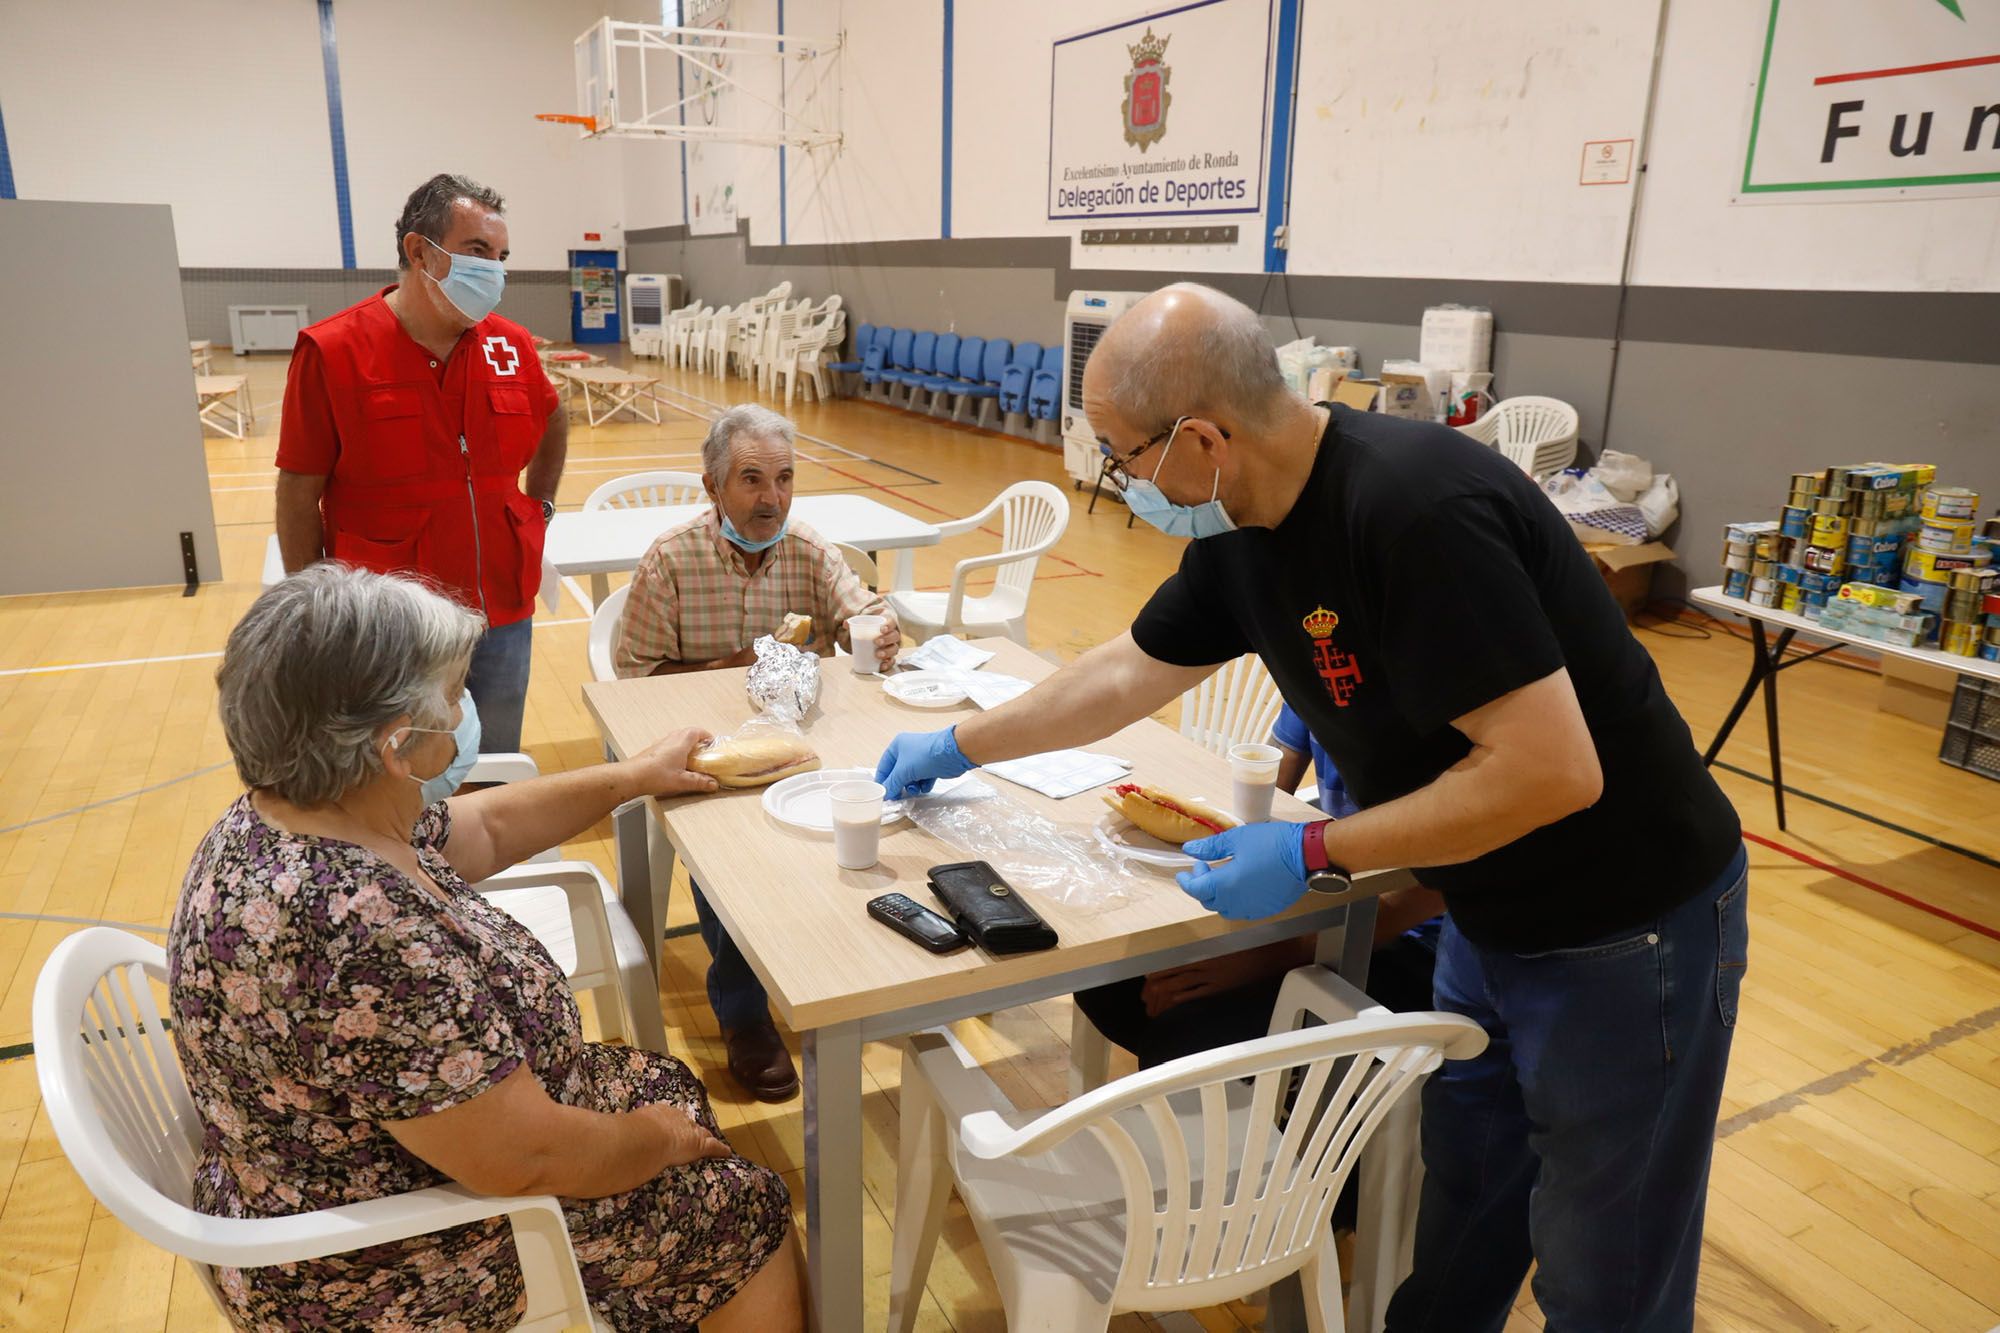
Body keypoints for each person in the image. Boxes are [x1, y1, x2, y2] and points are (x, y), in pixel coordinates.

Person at [874, 283, 1748, 1331]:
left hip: (1621, 922)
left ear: (1204, 438)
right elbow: (1120, 674)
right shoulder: (1242, 528)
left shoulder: (1413, 512)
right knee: (1463, 1201)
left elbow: (1550, 772)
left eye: (1123, 455)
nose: (1122, 480)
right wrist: (958, 744)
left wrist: (1313, 850)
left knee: (1607, 1264)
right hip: (1483, 908)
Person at [170, 565, 805, 1332]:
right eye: (453, 693)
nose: (464, 709)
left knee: (667, 1090)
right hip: (381, 1256)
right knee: (744, 1207)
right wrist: (657, 1139)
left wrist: (635, 774)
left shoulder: (304, 814)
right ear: (395, 744)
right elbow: (527, 1158)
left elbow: (488, 827)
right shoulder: (362, 935)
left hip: (347, 1172)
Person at [615, 402, 900, 1101]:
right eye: (751, 479)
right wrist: (731, 665)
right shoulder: (671, 559)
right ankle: (743, 1013)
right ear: (712, 486)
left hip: (800, 743)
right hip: (704, 750)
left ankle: (852, 964)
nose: (772, 498)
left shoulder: (807, 547)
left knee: (886, 803)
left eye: (784, 478)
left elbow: (861, 610)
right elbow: (634, 676)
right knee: (725, 852)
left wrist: (877, 628)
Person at [274, 172, 566, 755]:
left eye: (502, 257)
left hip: (502, 609)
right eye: (477, 251)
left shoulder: (510, 345)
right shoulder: (334, 351)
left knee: (494, 766)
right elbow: (297, 494)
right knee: (395, 775)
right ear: (419, 251)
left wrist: (539, 506)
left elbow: (554, 417)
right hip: (391, 624)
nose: (494, 270)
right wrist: (317, 609)